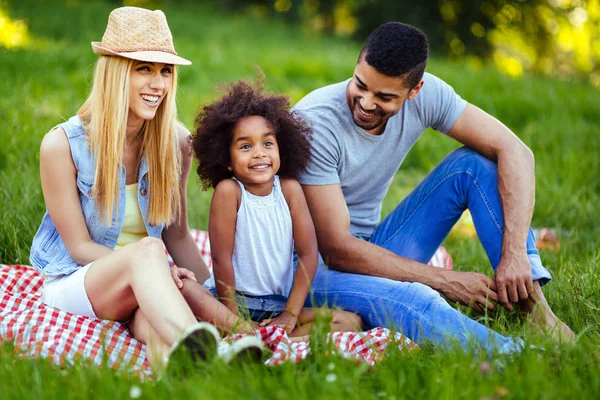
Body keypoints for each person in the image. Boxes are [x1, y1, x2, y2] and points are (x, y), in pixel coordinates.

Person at [292, 22, 575, 354]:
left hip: (369, 247)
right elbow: (336, 250)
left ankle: (537, 314)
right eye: (360, 85)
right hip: (304, 273)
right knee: (416, 294)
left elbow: (516, 151)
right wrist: (443, 281)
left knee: (475, 166)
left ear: (415, 91)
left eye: (384, 97)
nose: (366, 103)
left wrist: (515, 255)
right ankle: (520, 359)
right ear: (356, 67)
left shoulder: (428, 96)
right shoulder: (315, 124)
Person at [29, 6, 262, 372]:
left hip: (146, 281)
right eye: (144, 69)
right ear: (115, 72)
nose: (158, 84)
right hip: (78, 281)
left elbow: (178, 235)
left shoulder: (176, 142)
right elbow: (78, 247)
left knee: (153, 324)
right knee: (148, 251)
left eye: (166, 71)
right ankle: (209, 345)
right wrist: (153, 267)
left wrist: (206, 290)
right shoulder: (62, 145)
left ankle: (191, 370)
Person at [183, 80, 363, 336]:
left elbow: (308, 255)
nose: (259, 153)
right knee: (187, 290)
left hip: (278, 304)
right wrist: (232, 315)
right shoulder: (230, 192)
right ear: (227, 160)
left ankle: (264, 338)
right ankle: (239, 330)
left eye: (267, 143)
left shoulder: (289, 189)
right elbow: (220, 259)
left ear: (281, 147)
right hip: (233, 301)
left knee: (350, 322)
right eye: (246, 146)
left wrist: (290, 314)